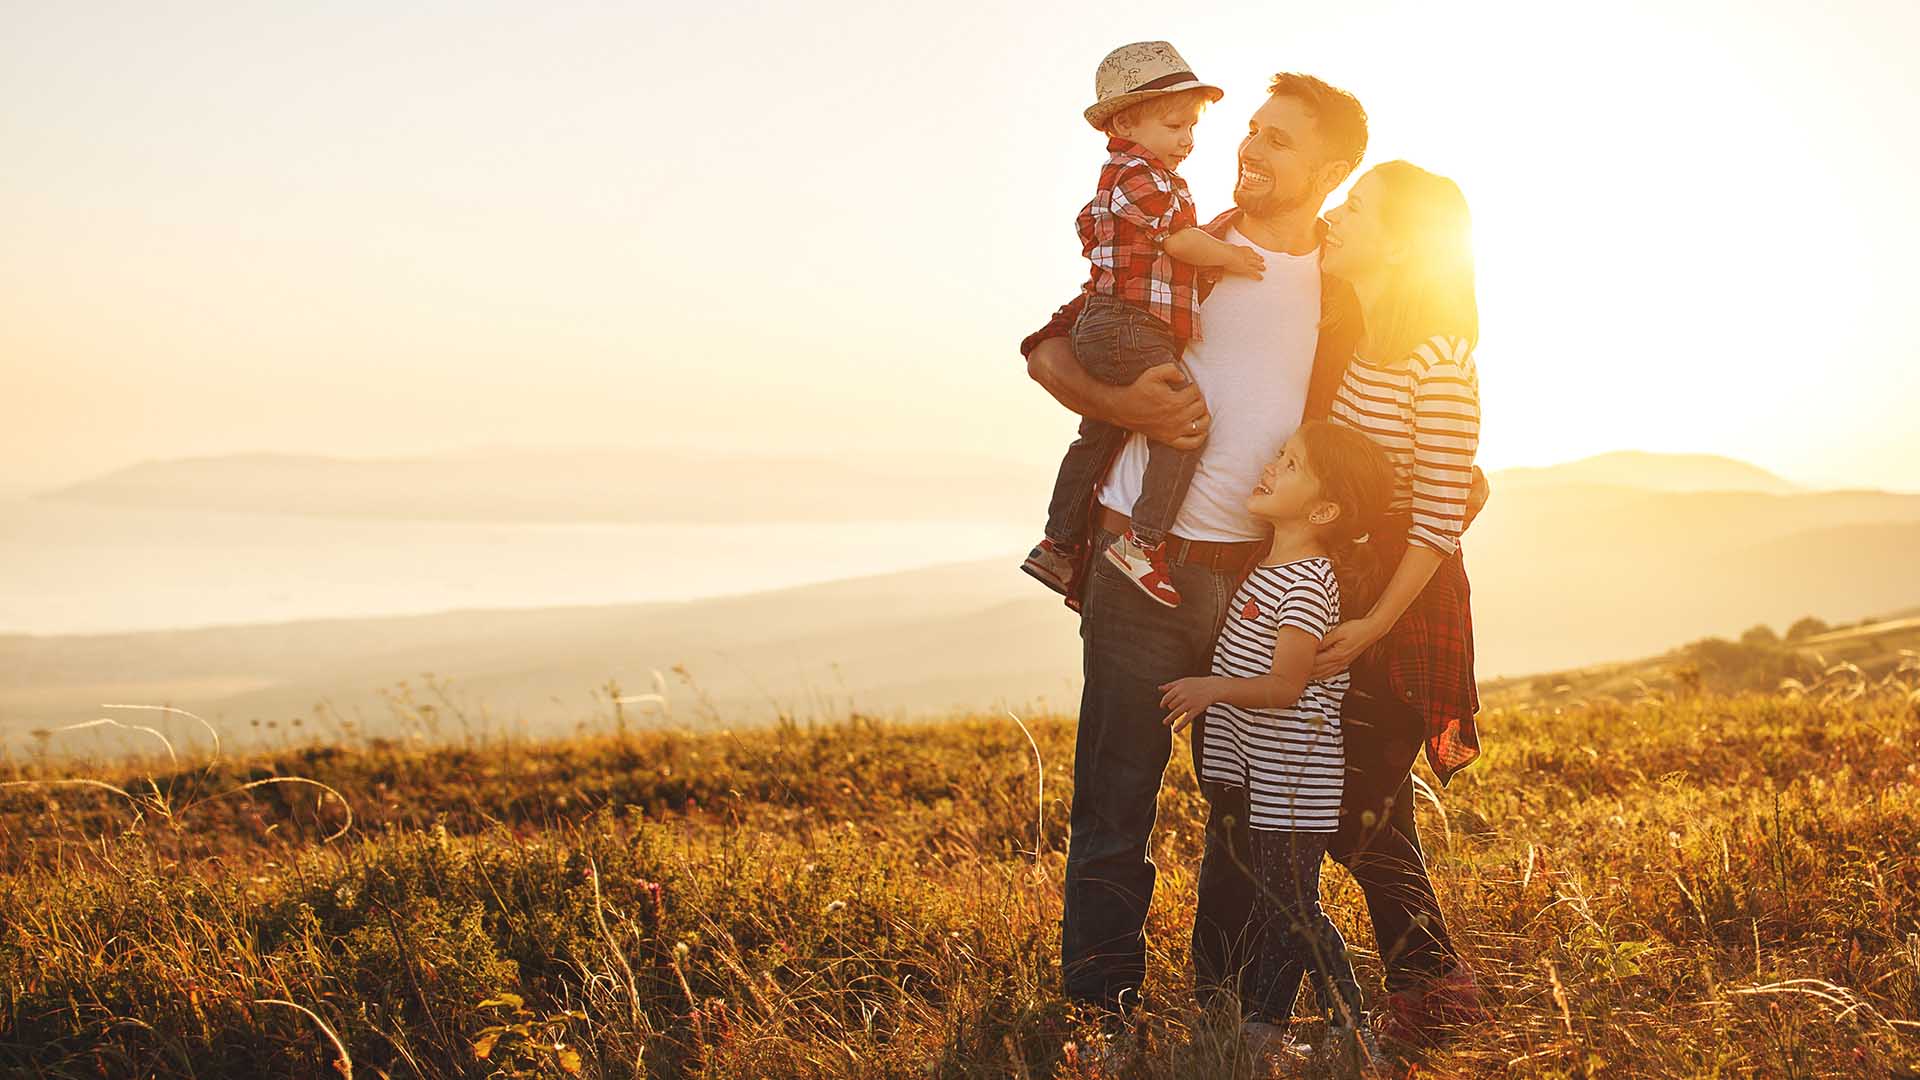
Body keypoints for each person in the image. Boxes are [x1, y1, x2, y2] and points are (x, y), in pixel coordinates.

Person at [1020, 73, 1489, 1052]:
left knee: (1246, 808)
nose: (1251, 151)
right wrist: (1123, 407)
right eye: (1252, 132)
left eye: (1279, 142)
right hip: (1143, 562)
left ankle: (1237, 1013)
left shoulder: (1354, 290)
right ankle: (1100, 1011)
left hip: (1266, 582)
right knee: (1117, 797)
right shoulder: (1194, 244)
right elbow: (1051, 349)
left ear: (1330, 174)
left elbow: (1427, 452)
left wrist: (1423, 517)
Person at [1309, 159, 1488, 1045]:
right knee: (1375, 801)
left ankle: (1437, 989)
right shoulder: (1356, 335)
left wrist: (1375, 623)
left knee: (1361, 806)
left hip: (1408, 606)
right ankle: (1427, 989)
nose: (1336, 215)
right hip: (1351, 586)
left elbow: (1441, 522)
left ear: (1403, 243)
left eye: (1358, 207)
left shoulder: (1441, 362)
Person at [1157, 420, 1395, 1070]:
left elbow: (1287, 686)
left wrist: (1212, 688)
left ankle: (1352, 1029)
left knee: (1294, 908)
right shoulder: (1268, 565)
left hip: (1295, 779)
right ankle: (1265, 1029)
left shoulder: (1306, 582)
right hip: (1266, 778)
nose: (1270, 466)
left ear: (1322, 510)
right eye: (1280, 454)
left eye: (1289, 463)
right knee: (1276, 904)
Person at [1024, 41, 1267, 609]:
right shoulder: (1139, 175)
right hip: (1129, 325)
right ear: (1127, 121)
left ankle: (1058, 543)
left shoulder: (1133, 174)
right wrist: (1231, 257)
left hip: (1116, 325)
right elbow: (1180, 240)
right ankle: (1145, 541)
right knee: (1183, 425)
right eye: (1175, 124)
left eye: (1192, 128)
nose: (1188, 139)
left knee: (1099, 433)